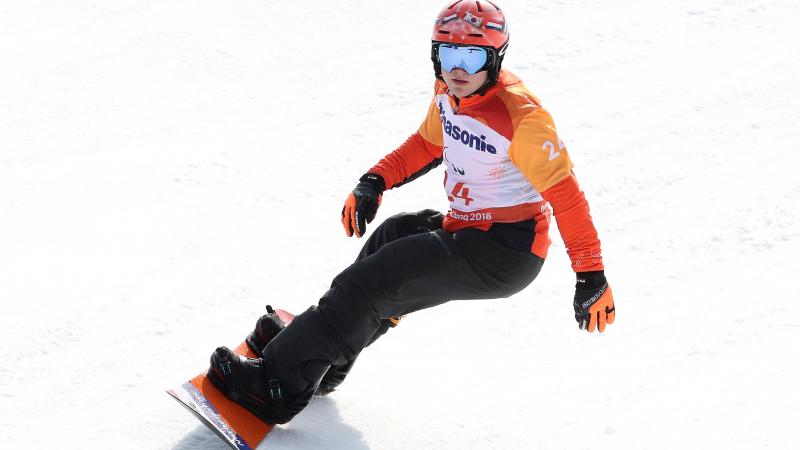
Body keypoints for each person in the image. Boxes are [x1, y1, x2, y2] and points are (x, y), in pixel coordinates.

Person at [207, 0, 616, 425]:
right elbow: (427, 144)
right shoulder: (450, 92)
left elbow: (567, 199)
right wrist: (376, 179)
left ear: (496, 59)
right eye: (448, 54)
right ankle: (321, 360)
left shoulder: (523, 120)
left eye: (472, 55)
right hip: (469, 229)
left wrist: (591, 275)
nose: (458, 69)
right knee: (392, 238)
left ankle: (276, 385)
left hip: (505, 251)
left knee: (371, 283)